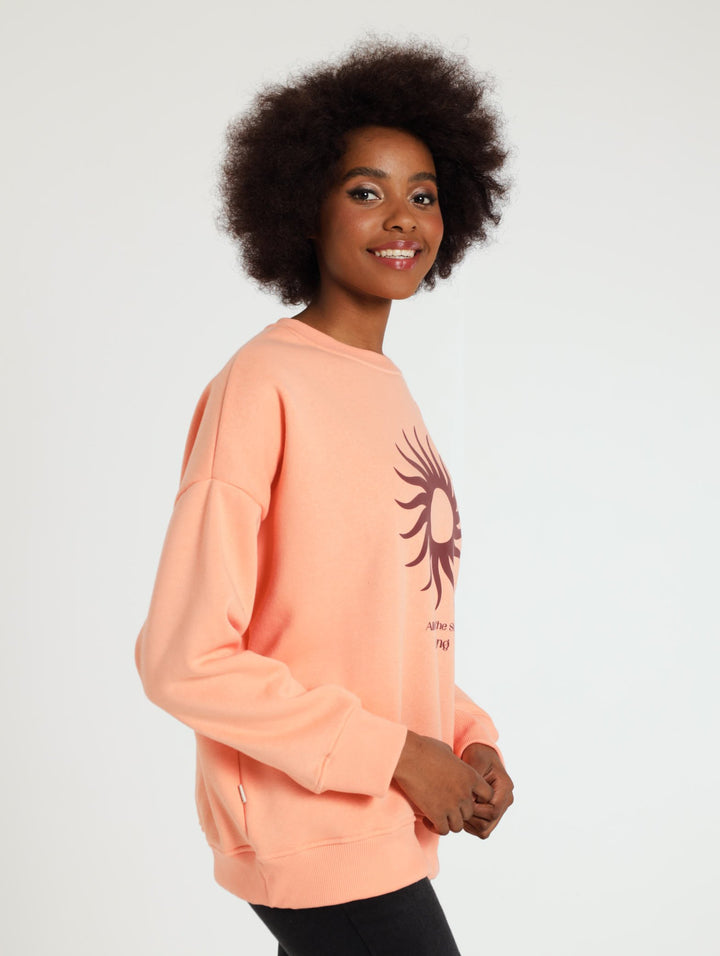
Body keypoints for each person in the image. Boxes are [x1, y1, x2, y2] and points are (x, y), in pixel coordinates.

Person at [135, 38, 514, 956]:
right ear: (303, 206)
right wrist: (399, 756)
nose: (403, 218)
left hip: (381, 821)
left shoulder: (389, 392)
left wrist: (467, 738)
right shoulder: (264, 383)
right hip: (310, 827)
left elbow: (370, 632)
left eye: (424, 194)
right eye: (365, 191)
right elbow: (184, 656)